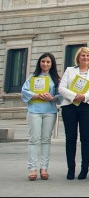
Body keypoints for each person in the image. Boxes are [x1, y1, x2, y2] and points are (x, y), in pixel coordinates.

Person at [59, 47, 89, 180]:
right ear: (78, 57)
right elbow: (61, 88)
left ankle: (84, 169)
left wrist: (84, 97)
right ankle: (71, 169)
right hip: (70, 106)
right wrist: (75, 96)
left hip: (88, 106)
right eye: (83, 56)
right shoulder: (69, 70)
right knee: (70, 138)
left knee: (86, 138)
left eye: (88, 56)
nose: (85, 58)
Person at [21, 52, 62, 181]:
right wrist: (37, 95)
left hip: (50, 111)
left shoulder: (56, 79)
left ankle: (44, 168)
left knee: (46, 140)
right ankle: (32, 168)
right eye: (43, 61)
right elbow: (24, 92)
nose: (45, 64)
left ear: (52, 64)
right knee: (34, 139)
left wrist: (52, 98)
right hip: (34, 111)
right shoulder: (32, 77)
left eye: (48, 62)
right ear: (39, 63)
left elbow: (60, 95)